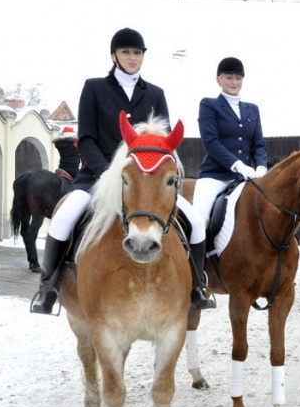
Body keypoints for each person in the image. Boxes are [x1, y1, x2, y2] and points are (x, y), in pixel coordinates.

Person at [31, 28, 213, 314]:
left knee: (196, 221)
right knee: (64, 216)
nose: (132, 57)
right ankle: (47, 287)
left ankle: (197, 287)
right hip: (97, 176)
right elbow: (87, 138)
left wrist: (172, 164)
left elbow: (164, 139)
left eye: (137, 53)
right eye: (126, 52)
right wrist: (106, 172)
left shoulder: (155, 93)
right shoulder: (94, 88)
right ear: (114, 55)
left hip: (146, 182)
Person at [193, 56, 268, 250]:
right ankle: (197, 269)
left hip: (247, 178)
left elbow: (258, 144)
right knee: (199, 219)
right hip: (215, 175)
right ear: (219, 79)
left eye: (238, 78)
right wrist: (238, 165)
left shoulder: (253, 110)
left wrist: (260, 165)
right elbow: (211, 142)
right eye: (229, 77)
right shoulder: (209, 105)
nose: (234, 82)